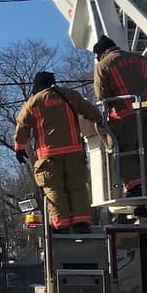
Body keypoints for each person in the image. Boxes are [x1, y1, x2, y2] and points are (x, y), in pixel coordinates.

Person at [14, 71, 108, 234]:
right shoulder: (71, 96)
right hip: (73, 152)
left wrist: (19, 147)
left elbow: (22, 126)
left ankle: (61, 224)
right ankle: (81, 223)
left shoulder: (33, 103)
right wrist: (101, 122)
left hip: (48, 155)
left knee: (53, 189)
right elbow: (91, 112)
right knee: (77, 188)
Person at [92, 36, 147, 197]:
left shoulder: (103, 66)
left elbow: (102, 97)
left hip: (124, 116)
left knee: (122, 151)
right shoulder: (140, 59)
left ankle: (135, 186)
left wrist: (103, 119)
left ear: (99, 54)